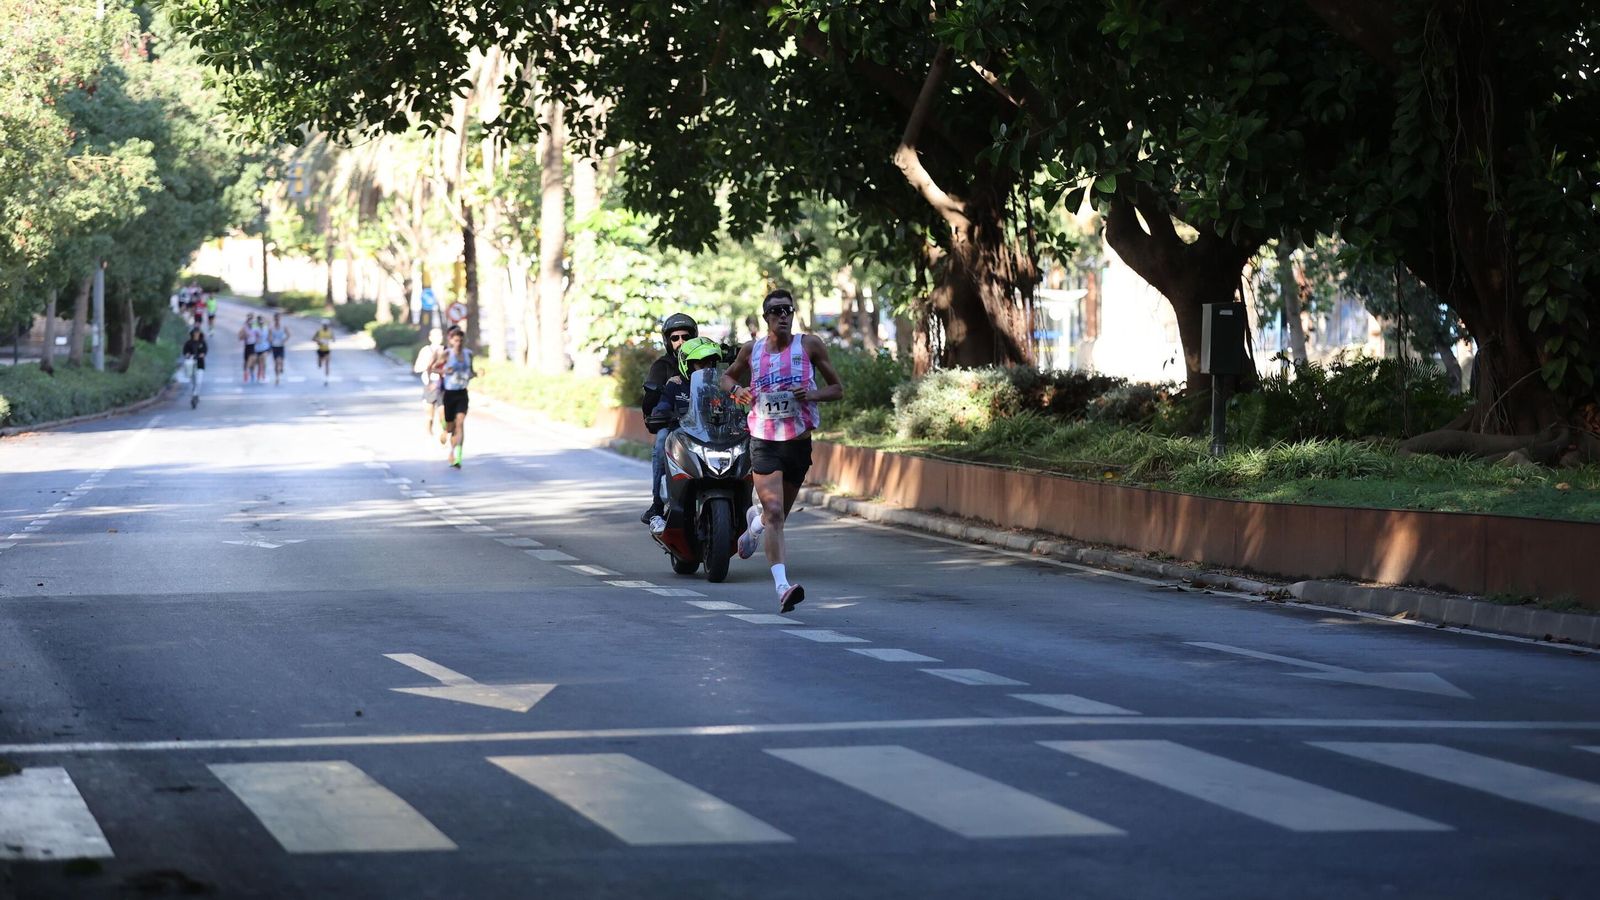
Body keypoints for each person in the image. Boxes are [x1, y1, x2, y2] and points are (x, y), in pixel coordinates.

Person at [722, 288, 844, 612]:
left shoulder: (810, 345)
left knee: (777, 516)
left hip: (798, 443)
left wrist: (811, 395)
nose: (783, 316)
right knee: (775, 512)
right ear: (766, 318)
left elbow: (837, 389)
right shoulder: (752, 350)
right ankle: (782, 587)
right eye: (776, 311)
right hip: (763, 440)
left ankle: (754, 527)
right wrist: (738, 391)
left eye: (787, 310)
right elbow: (727, 378)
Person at [645, 336, 723, 533]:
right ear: (687, 365)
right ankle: (657, 506)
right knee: (662, 439)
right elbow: (662, 407)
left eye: (710, 362)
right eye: (700, 363)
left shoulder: (721, 387)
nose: (706, 367)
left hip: (713, 439)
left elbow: (735, 408)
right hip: (683, 440)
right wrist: (661, 413)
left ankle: (747, 507)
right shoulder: (675, 385)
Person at [640, 312, 699, 523]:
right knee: (660, 444)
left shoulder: (706, 361)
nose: (681, 342)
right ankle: (657, 504)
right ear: (668, 341)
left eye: (686, 337)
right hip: (673, 425)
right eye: (675, 338)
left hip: (705, 426)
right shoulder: (662, 366)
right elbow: (649, 404)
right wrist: (663, 390)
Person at [430, 326, 475, 468]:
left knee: (460, 424)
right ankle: (446, 431)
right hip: (449, 393)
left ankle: (457, 456)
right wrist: (444, 370)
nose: (459, 343)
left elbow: (471, 371)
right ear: (452, 341)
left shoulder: (469, 354)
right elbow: (433, 368)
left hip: (462, 392)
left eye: (461, 340)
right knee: (450, 426)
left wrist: (474, 374)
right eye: (456, 340)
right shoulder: (447, 354)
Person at [413, 327, 445, 436]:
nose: (438, 338)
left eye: (440, 335)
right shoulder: (426, 350)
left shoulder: (446, 350)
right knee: (429, 415)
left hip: (443, 385)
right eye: (436, 336)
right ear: (430, 338)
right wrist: (429, 366)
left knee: (444, 413)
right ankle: (429, 433)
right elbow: (417, 367)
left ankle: (444, 434)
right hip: (430, 385)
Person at [181, 327, 207, 408]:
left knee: (199, 381)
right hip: (191, 364)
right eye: (195, 333)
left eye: (198, 333)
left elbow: (205, 351)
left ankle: (195, 395)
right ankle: (194, 395)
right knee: (193, 382)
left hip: (200, 365)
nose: (196, 334)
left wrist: (202, 355)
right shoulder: (189, 343)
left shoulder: (202, 343)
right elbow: (185, 351)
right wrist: (188, 355)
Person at [267, 313, 291, 385]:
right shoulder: (271, 328)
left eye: (278, 318)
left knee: (280, 361)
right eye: (276, 319)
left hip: (281, 346)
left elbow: (289, 334)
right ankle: (277, 377)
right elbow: (269, 337)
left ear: (280, 319)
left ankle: (282, 367)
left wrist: (285, 340)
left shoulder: (284, 327)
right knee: (276, 362)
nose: (277, 320)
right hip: (274, 346)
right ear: (274, 319)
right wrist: (270, 340)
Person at [238, 316, 261, 384]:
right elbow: (240, 337)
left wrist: (257, 339)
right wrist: (245, 335)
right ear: (247, 322)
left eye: (252, 321)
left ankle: (250, 372)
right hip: (247, 346)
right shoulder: (244, 329)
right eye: (249, 321)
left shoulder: (255, 329)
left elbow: (259, 335)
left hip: (253, 346)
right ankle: (246, 372)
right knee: (246, 361)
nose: (251, 323)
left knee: (252, 360)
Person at [313, 319, 334, 385]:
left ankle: (326, 378)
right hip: (320, 349)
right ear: (322, 325)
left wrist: (330, 340)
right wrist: (318, 341)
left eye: (327, 325)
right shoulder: (319, 331)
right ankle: (319, 362)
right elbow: (313, 338)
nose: (325, 326)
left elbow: (333, 339)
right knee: (320, 364)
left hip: (327, 350)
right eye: (324, 325)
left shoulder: (330, 332)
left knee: (327, 364)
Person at [252, 315, 271, 384]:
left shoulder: (266, 328)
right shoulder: (255, 329)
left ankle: (264, 376)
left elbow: (269, 335)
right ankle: (259, 376)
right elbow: (252, 336)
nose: (261, 321)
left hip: (265, 347)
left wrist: (270, 346)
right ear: (258, 321)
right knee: (259, 363)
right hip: (257, 348)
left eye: (262, 320)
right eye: (259, 320)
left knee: (264, 362)